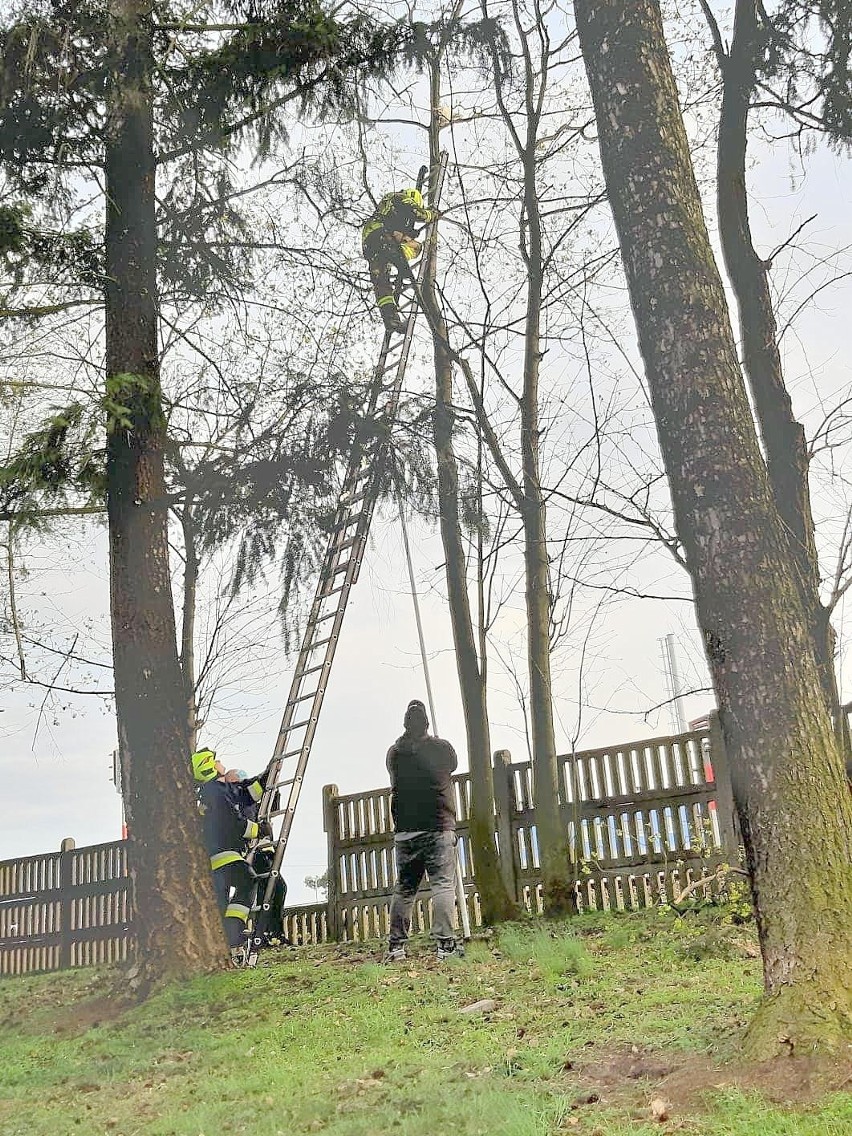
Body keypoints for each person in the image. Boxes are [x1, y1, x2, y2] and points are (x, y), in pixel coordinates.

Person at [385, 699, 463, 962]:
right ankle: (445, 946)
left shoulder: (395, 754)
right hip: (438, 827)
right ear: (427, 724)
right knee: (442, 885)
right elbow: (452, 765)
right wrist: (435, 741)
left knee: (404, 889)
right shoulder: (441, 749)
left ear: (405, 725)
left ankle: (396, 947)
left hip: (406, 832)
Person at [191, 747, 272, 963]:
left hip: (225, 854)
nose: (220, 762)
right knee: (247, 880)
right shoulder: (214, 793)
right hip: (223, 854)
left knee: (223, 902)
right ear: (208, 767)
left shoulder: (220, 790)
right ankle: (233, 932)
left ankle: (229, 938)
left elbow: (246, 795)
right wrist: (259, 830)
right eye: (215, 761)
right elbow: (234, 824)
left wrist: (266, 776)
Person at [224, 768, 288, 945]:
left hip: (263, 850)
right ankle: (266, 934)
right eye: (238, 779)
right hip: (252, 852)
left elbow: (272, 806)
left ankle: (273, 933)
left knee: (278, 888)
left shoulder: (252, 801)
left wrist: (274, 786)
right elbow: (241, 825)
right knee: (266, 889)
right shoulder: (235, 800)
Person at [362, 188, 438, 335]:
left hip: (369, 243)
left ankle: (391, 319)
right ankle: (400, 258)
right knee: (417, 247)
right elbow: (417, 213)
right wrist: (431, 214)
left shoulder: (387, 204)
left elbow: (397, 227)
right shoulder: (402, 198)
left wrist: (407, 233)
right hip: (383, 236)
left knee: (381, 282)